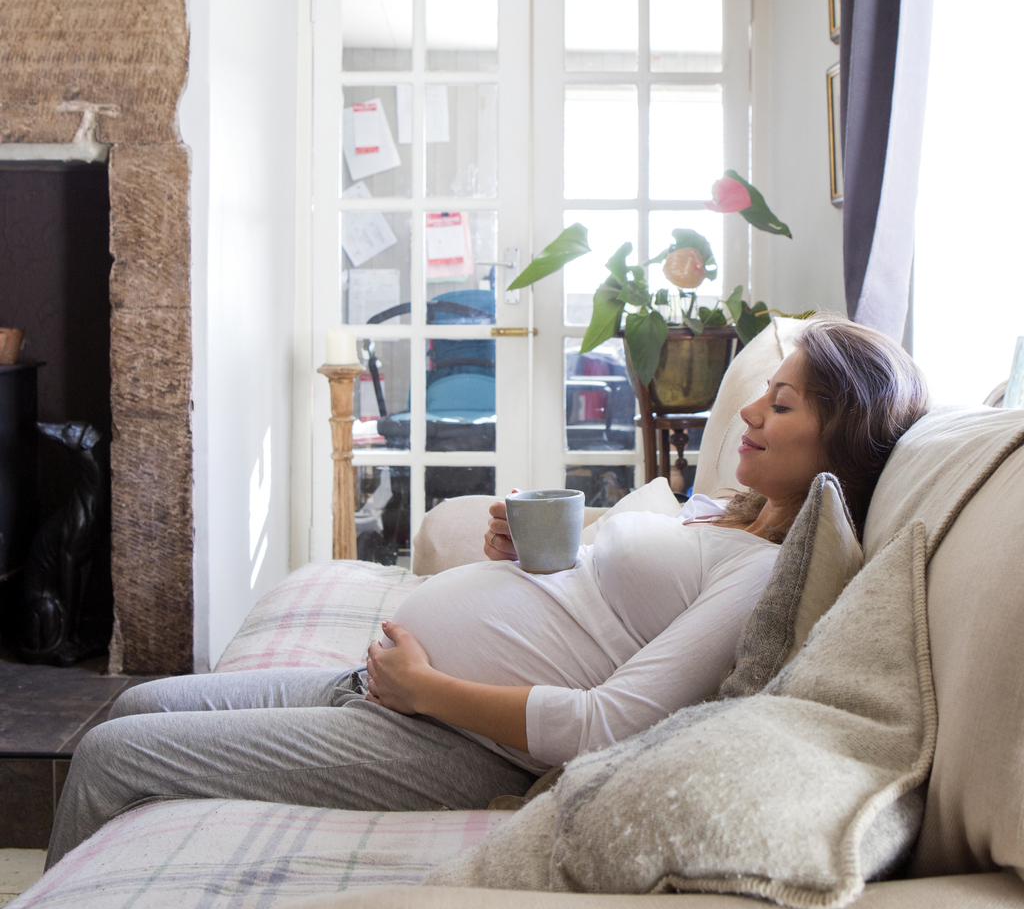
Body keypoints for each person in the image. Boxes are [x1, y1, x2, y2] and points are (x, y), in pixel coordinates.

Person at [46, 315, 929, 868]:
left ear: (840, 434)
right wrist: (532, 557)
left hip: (452, 736)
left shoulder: (765, 577)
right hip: (384, 690)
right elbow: (603, 617)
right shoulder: (728, 518)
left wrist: (428, 690)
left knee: (111, 761)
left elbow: (612, 722)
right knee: (139, 705)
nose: (748, 414)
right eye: (761, 396)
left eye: (781, 405)